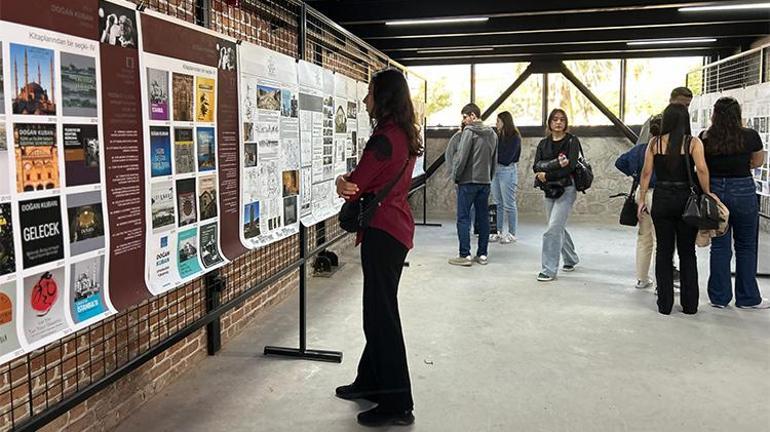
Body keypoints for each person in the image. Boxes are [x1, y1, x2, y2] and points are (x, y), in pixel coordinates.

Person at [334, 69, 421, 427]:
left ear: (383, 97)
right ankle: (370, 381)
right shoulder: (402, 134)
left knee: (380, 316)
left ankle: (397, 402)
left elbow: (355, 184)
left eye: (370, 94)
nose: (366, 100)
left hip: (383, 234)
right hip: (394, 229)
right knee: (379, 310)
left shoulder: (385, 139)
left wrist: (342, 181)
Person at [638, 103, 713, 315]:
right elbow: (701, 169)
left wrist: (642, 198)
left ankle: (665, 305)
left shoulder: (655, 143)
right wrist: (707, 193)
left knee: (663, 251)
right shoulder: (693, 143)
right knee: (687, 252)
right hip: (686, 200)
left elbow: (646, 173)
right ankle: (690, 305)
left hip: (661, 198)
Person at [700, 97, 770, 309]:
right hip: (743, 190)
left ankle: (719, 298)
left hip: (716, 193)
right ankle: (747, 297)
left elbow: (702, 165)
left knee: (720, 246)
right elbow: (758, 161)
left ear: (715, 114)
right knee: (746, 245)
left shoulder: (705, 137)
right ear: (737, 113)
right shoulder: (750, 136)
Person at [448, 103, 498, 266]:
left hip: (468, 181)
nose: (463, 121)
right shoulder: (492, 133)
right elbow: (494, 160)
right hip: (485, 181)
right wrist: (489, 177)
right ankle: (482, 254)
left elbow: (462, 157)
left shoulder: (469, 132)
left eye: (464, 117)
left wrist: (456, 176)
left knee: (463, 218)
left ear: (473, 116)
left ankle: (465, 255)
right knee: (483, 217)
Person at [533, 109, 580, 282]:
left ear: (566, 123)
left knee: (552, 229)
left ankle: (549, 269)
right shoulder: (543, 143)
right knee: (556, 226)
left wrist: (547, 173)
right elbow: (535, 166)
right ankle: (571, 258)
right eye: (555, 119)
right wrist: (547, 172)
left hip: (567, 188)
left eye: (562, 119)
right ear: (550, 123)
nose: (558, 122)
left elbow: (571, 166)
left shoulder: (572, 141)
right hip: (549, 190)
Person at [616, 114, 662, 289]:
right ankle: (660, 283)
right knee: (661, 241)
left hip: (641, 195)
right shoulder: (664, 149)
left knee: (644, 237)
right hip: (659, 195)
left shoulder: (639, 149)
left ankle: (642, 279)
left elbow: (619, 162)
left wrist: (634, 174)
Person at [490, 111, 521, 244]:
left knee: (509, 203)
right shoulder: (497, 135)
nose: (496, 124)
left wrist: (493, 157)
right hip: (495, 170)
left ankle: (512, 233)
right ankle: (498, 231)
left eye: (498, 121)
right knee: (498, 203)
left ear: (504, 122)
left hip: (507, 171)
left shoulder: (514, 137)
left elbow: (507, 158)